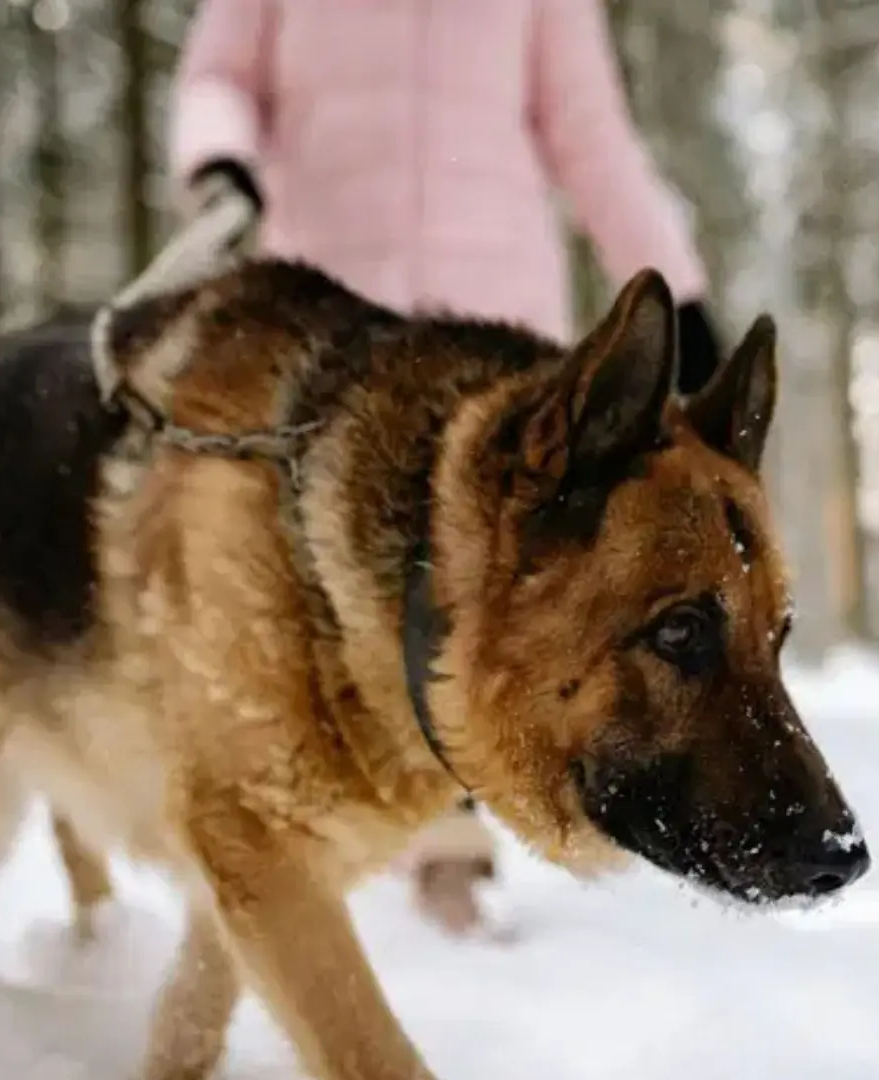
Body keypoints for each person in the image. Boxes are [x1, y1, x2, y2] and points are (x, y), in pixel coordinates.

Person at [166, 0, 724, 938]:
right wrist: (220, 159)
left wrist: (677, 285)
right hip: (332, 308)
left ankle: (449, 860)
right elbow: (215, 77)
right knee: (313, 582)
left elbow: (588, 135)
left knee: (481, 586)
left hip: (489, 315)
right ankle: (310, 823)